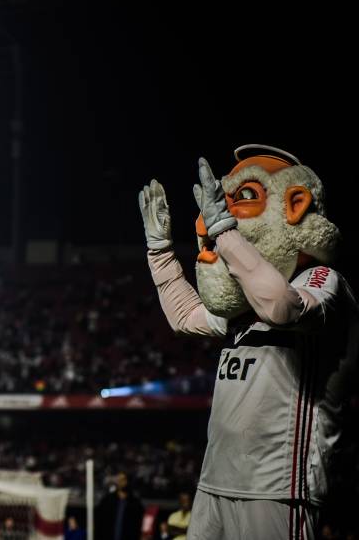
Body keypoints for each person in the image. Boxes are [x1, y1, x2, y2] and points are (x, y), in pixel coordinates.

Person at [138, 146, 358, 539]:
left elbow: (281, 308)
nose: (219, 216)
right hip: (214, 483)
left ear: (294, 206)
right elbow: (185, 317)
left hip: (277, 488)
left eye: (242, 198)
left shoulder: (322, 280)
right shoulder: (242, 305)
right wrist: (160, 251)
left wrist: (226, 233)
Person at [95, 471, 144, 540]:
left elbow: (137, 525)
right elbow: (100, 522)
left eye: (123, 479)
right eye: (118, 480)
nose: (120, 482)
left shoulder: (135, 503)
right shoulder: (107, 500)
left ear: (127, 481)